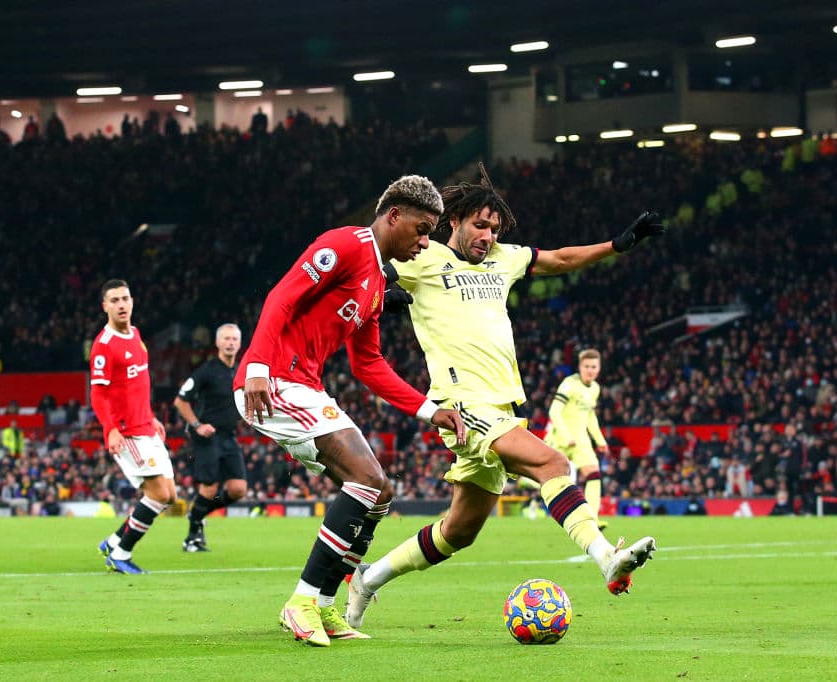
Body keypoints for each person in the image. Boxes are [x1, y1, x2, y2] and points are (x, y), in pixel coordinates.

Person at [347, 166, 661, 631]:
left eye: (495, 228)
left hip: (501, 407)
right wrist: (378, 297)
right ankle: (606, 559)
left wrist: (617, 245)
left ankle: (368, 579)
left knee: (458, 532)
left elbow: (560, 259)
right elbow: (363, 270)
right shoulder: (424, 256)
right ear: (453, 220)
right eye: (480, 224)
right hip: (461, 406)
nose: (488, 235)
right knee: (553, 464)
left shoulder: (505, 260)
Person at [234, 175, 466, 647]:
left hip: (305, 387)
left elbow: (369, 365)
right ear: (393, 215)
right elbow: (281, 297)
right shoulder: (345, 244)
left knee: (380, 491)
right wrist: (257, 363)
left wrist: (428, 409)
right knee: (365, 479)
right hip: (272, 381)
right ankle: (300, 602)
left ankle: (321, 606)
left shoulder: (378, 283)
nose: (425, 243)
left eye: (431, 234)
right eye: (421, 230)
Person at [91, 279, 176, 574]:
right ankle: (120, 553)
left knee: (171, 496)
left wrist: (151, 416)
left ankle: (114, 539)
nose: (121, 304)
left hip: (145, 426)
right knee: (159, 495)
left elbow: (137, 386)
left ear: (132, 300)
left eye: (125, 298)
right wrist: (110, 428)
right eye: (114, 300)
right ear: (105, 306)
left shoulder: (137, 335)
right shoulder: (104, 346)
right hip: (126, 432)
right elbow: (98, 393)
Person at [174, 323, 246, 552]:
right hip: (208, 436)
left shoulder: (241, 370)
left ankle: (198, 513)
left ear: (240, 343)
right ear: (217, 343)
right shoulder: (206, 370)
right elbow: (180, 400)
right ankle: (192, 537)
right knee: (210, 487)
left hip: (229, 435)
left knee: (238, 489)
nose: (231, 342)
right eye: (226, 338)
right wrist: (196, 425)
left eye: (234, 339)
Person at [542, 348, 609, 526]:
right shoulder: (569, 384)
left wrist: (600, 441)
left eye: (594, 366)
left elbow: (590, 416)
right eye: (586, 366)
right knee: (548, 478)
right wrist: (566, 435)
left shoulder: (595, 388)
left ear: (599, 367)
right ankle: (526, 482)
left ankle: (592, 520)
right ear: (580, 367)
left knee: (594, 474)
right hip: (559, 438)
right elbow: (554, 411)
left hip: (581, 440)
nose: (590, 370)